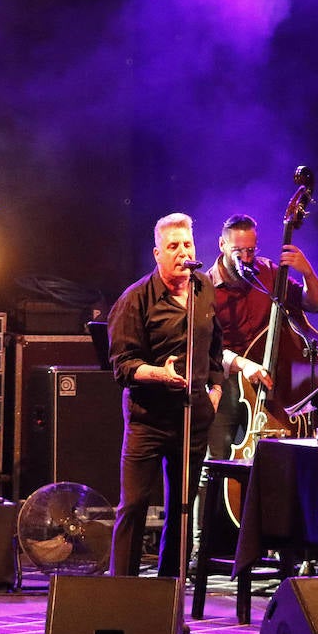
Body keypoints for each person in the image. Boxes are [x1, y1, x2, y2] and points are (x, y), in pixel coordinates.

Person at [106, 212, 227, 578]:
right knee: (135, 504)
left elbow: (215, 346)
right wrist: (160, 374)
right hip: (148, 420)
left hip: (193, 418)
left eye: (186, 244)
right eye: (172, 246)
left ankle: (168, 599)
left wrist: (217, 388)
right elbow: (122, 366)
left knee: (183, 508)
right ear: (157, 253)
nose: (181, 252)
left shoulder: (204, 287)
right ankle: (120, 595)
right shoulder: (135, 300)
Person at [195, 213, 318, 543]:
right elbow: (205, 347)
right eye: (239, 251)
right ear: (222, 245)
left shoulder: (268, 273)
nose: (247, 258)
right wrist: (241, 363)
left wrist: (306, 270)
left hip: (267, 383)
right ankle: (202, 543)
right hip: (225, 381)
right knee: (215, 459)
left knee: (278, 459)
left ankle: (271, 539)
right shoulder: (206, 285)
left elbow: (314, 303)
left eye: (251, 250)